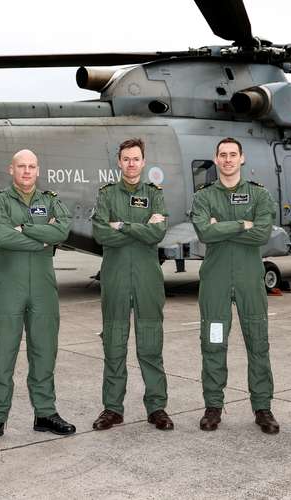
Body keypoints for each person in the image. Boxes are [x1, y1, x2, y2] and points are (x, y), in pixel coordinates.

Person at [0, 149, 76, 444]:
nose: (27, 171)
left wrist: (27, 230)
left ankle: (45, 413)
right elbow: (2, 236)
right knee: (2, 353)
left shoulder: (51, 200)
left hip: (43, 289)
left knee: (44, 352)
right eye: (21, 166)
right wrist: (42, 239)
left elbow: (63, 231)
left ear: (38, 170)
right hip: (7, 287)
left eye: (32, 166)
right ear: (11, 169)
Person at [190, 137, 279, 434]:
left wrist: (221, 228)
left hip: (249, 281)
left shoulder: (260, 195)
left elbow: (263, 233)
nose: (228, 160)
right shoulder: (203, 196)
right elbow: (204, 232)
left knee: (258, 342)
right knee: (214, 343)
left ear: (242, 159)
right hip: (215, 281)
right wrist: (243, 224)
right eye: (222, 155)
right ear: (216, 160)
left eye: (233, 155)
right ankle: (213, 406)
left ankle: (263, 408)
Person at [90, 138, 173, 431]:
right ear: (119, 162)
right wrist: (142, 228)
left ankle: (157, 407)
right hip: (115, 277)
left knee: (150, 343)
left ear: (143, 161)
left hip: (148, 277)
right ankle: (112, 408)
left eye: (136, 158)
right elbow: (100, 233)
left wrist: (122, 225)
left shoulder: (155, 195)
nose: (131, 164)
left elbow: (158, 233)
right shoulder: (107, 195)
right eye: (126, 159)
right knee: (114, 343)